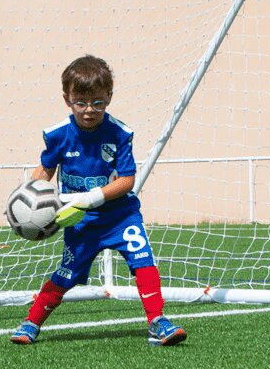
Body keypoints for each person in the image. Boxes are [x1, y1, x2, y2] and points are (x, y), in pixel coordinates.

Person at [10, 54, 186, 347]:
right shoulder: (58, 135)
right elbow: (46, 171)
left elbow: (127, 181)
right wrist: (29, 196)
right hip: (81, 223)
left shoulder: (119, 133)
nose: (89, 110)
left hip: (121, 216)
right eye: (81, 102)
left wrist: (94, 197)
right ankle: (31, 323)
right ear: (67, 99)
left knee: (144, 262)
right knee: (65, 276)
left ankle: (157, 321)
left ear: (109, 98)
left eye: (98, 103)